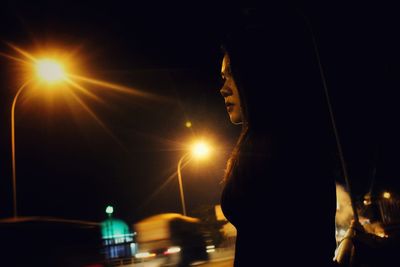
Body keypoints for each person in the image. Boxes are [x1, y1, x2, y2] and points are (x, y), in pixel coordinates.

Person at [218, 5, 338, 266]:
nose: (222, 89)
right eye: (222, 78)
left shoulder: (284, 148)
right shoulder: (276, 140)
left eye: (231, 75)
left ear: (255, 75)